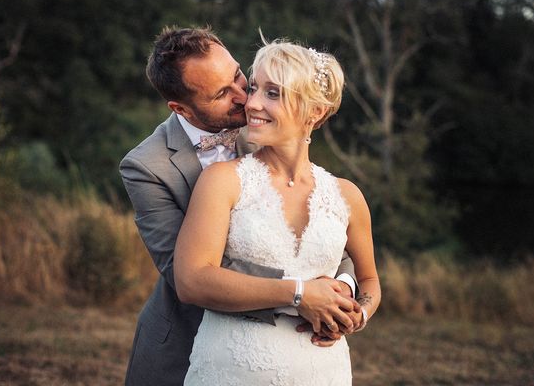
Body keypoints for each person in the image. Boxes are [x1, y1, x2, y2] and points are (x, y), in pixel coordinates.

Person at [119, 27, 361, 386]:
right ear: (180, 108)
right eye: (221, 94)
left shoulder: (268, 126)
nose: (244, 98)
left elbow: (316, 223)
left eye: (237, 76)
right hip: (187, 343)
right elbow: (188, 272)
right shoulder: (147, 166)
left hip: (295, 349)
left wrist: (341, 289)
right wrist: (301, 294)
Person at [174, 38, 381, 385]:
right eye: (253, 87)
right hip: (232, 370)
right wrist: (299, 293)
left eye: (273, 93)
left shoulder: (348, 195)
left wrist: (358, 313)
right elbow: (191, 281)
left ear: (315, 112)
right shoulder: (222, 181)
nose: (251, 103)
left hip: (324, 372)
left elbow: (370, 280)